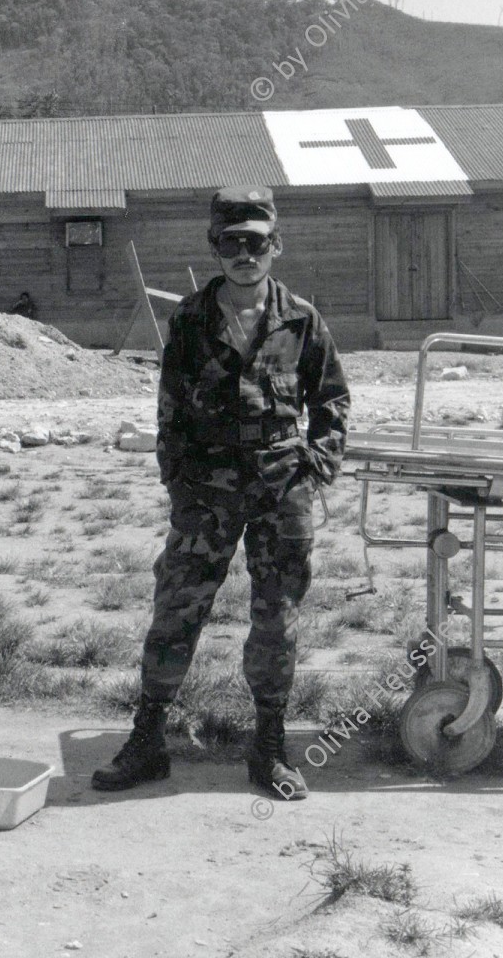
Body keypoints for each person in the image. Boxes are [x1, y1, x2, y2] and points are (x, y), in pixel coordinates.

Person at [92, 186, 349, 802]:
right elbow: (171, 409)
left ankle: (269, 748)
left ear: (275, 247)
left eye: (255, 243)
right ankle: (148, 740)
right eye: (230, 243)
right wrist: (176, 480)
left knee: (276, 617)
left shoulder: (303, 319)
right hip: (206, 493)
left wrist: (317, 464)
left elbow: (332, 400)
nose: (243, 255)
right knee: (177, 609)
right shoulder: (190, 319)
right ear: (214, 248)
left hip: (279, 492)